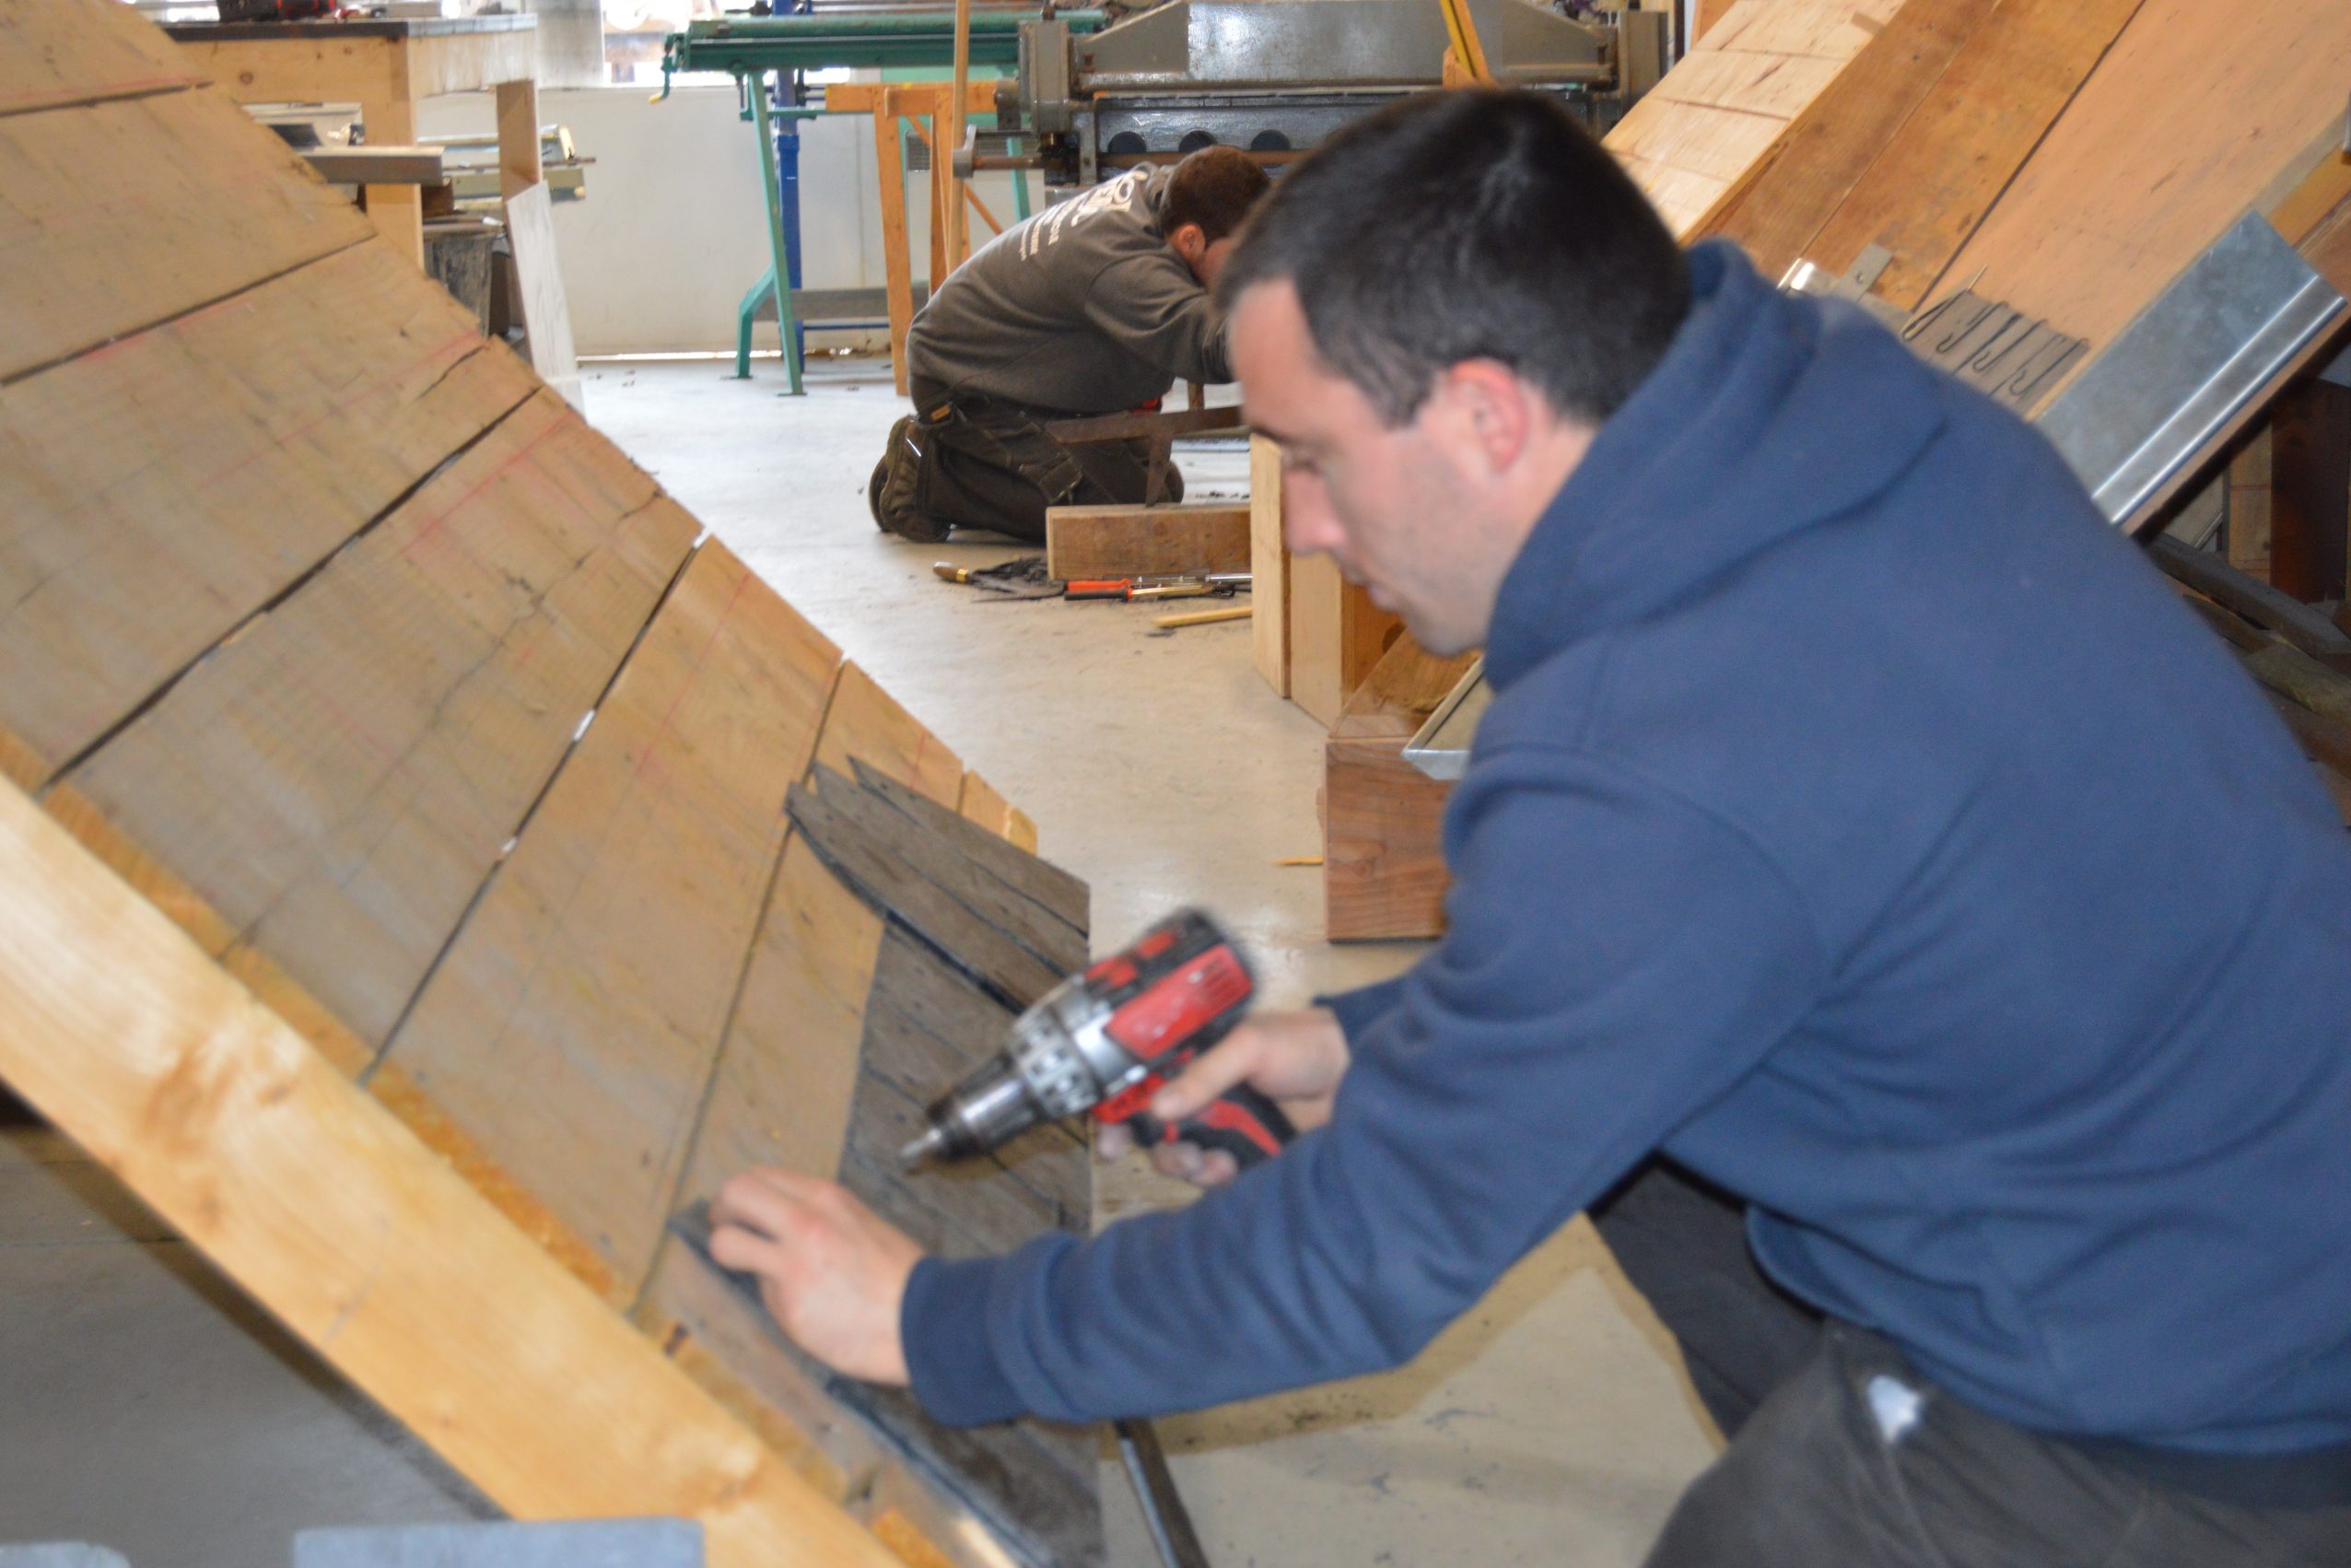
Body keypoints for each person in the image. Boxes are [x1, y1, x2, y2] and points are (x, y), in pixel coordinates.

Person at [714, 88, 2351, 1564]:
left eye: (1314, 458)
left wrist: (932, 1322)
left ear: (1490, 415)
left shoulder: (1657, 738)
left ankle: (1929, 1461)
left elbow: (1370, 1252)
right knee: (1643, 1164)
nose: (1301, 523)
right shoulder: (1833, 414)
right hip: (2224, 1168)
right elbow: (1710, 926)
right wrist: (1363, 1045)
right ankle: (1870, 1415)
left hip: (2203, 1398)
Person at [868, 145, 1271, 544]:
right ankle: (926, 473)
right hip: (962, 385)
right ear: (1191, 239)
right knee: (1122, 520)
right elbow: (1207, 345)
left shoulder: (1169, 196)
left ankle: (992, 470)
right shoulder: (1124, 267)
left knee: (1161, 489)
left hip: (1024, 373)